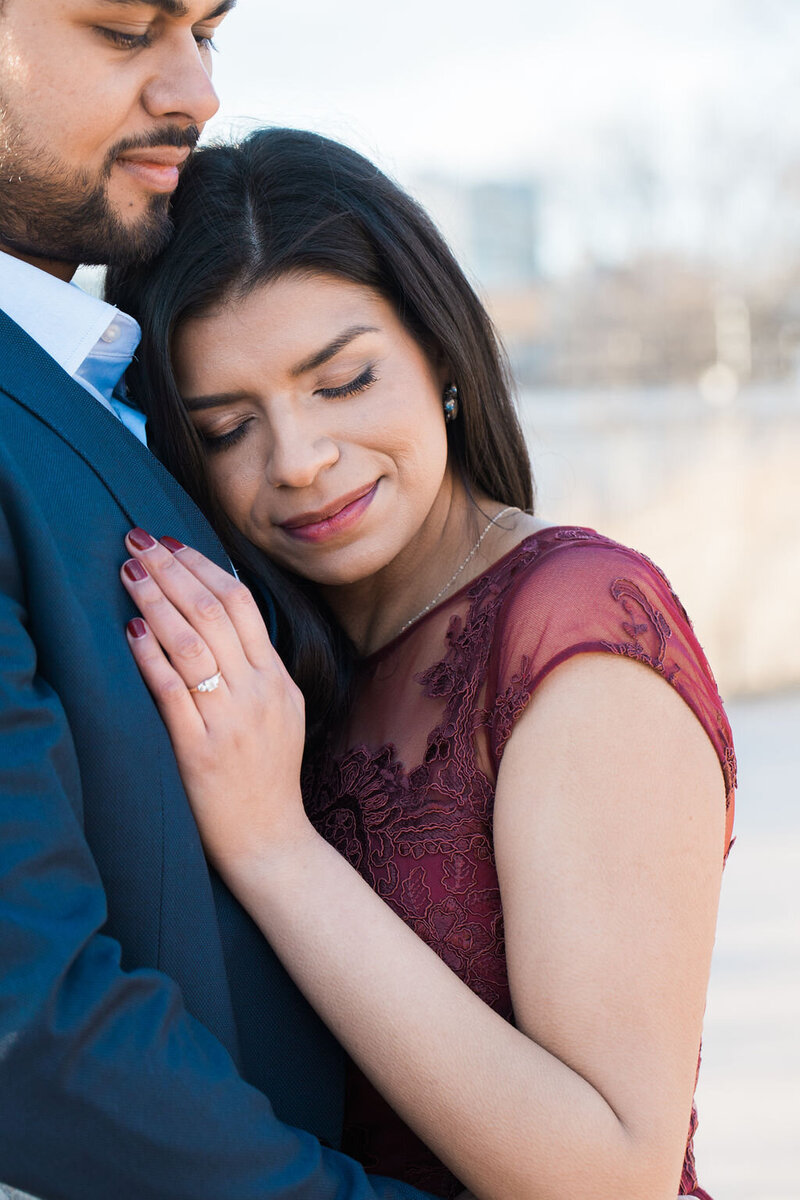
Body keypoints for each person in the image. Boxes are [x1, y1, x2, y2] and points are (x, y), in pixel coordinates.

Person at [108, 127, 737, 1200]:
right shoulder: (273, 655)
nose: (299, 461)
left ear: (439, 352)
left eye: (343, 381)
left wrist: (272, 845)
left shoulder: (570, 634)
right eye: (226, 429)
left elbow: (610, 1178)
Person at [0, 6, 439, 1199]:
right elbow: (25, 1023)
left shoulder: (95, 373)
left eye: (205, 30)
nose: (194, 90)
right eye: (125, 30)